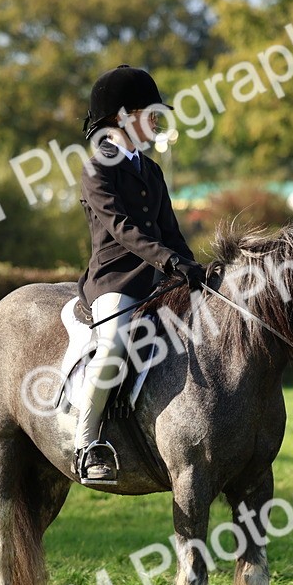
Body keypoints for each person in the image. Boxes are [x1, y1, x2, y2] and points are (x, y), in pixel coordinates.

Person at [73, 64, 206, 483]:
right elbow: (124, 230)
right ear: (123, 118)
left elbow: (171, 231)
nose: (157, 122)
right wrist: (169, 262)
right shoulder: (97, 169)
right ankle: (86, 444)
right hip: (117, 281)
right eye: (151, 114)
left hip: (160, 280)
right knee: (113, 345)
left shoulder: (151, 170)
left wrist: (194, 269)